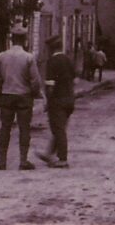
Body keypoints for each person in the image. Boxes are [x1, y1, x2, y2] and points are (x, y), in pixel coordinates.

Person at [0, 23, 43, 170]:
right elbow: (35, 80)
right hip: (24, 96)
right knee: (24, 128)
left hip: (6, 95)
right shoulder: (28, 58)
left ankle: (2, 161)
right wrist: (35, 93)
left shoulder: (2, 56)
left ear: (12, 39)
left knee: (5, 128)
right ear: (25, 39)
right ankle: (23, 161)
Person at [37, 34, 75, 168]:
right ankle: (49, 154)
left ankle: (63, 159)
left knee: (58, 130)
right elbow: (73, 78)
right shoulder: (68, 59)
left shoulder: (52, 62)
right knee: (60, 128)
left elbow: (50, 86)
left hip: (58, 100)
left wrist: (48, 101)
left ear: (50, 49)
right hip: (70, 99)